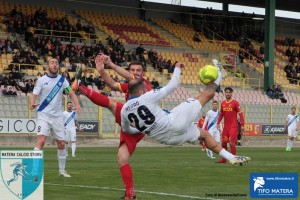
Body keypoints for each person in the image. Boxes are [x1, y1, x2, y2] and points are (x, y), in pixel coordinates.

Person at [120, 62, 250, 167]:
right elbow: (173, 84)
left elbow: (127, 129)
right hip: (174, 123)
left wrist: (144, 129)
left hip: (167, 139)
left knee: (204, 135)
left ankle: (232, 158)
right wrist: (177, 68)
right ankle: (220, 74)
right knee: (207, 95)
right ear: (142, 91)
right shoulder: (146, 96)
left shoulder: (124, 110)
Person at [72, 54, 152, 200]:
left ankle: (81, 87)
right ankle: (130, 195)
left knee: (111, 103)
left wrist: (111, 64)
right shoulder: (131, 86)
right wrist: (102, 71)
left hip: (138, 121)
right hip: (131, 124)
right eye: (132, 70)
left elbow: (130, 77)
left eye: (138, 70)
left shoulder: (144, 84)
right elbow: (114, 85)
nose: (135, 72)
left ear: (143, 73)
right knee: (122, 158)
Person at [30, 57, 81, 178]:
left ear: (58, 66)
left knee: (62, 144)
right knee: (41, 141)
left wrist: (77, 104)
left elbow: (71, 93)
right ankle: (34, 171)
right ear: (48, 65)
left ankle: (62, 171)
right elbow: (34, 94)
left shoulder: (63, 81)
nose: (55, 65)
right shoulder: (41, 80)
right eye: (52, 63)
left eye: (57, 63)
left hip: (58, 116)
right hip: (44, 115)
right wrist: (31, 103)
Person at [216, 87, 245, 164]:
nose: (228, 93)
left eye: (229, 92)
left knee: (231, 143)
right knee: (224, 143)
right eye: (226, 92)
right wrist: (218, 122)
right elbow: (221, 114)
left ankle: (233, 159)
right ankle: (223, 159)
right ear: (225, 93)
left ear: (232, 93)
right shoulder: (223, 103)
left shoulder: (235, 103)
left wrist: (242, 125)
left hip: (233, 126)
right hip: (226, 127)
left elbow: (241, 114)